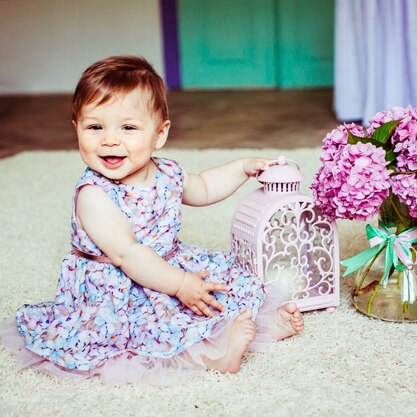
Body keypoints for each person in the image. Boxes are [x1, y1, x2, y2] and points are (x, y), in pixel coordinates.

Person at [0, 55, 304, 382]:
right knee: (144, 334)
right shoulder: (94, 194)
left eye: (128, 127)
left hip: (166, 264)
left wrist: (241, 168)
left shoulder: (167, 172)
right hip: (118, 285)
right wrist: (179, 284)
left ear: (159, 134)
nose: (109, 139)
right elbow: (127, 254)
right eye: (95, 127)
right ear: (76, 129)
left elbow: (203, 187)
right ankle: (213, 354)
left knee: (220, 291)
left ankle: (266, 326)